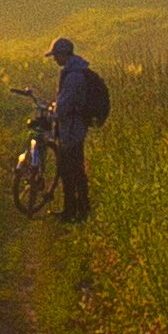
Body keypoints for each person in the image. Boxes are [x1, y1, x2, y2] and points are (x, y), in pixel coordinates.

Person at [42, 34, 112, 220]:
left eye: (56, 55)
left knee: (69, 170)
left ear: (64, 54)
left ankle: (74, 211)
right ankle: (79, 209)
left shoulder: (73, 76)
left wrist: (52, 113)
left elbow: (65, 105)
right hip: (75, 128)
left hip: (72, 130)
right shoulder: (76, 71)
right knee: (74, 169)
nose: (55, 59)